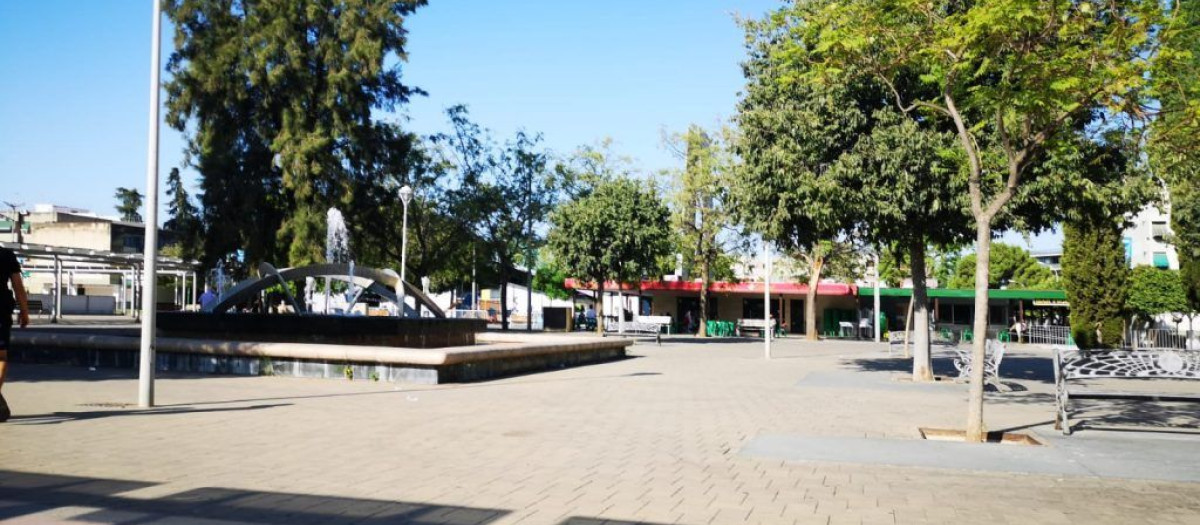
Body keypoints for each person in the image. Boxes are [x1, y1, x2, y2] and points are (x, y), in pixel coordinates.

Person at [1, 246, 30, 422]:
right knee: (1, 357)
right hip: (0, 309)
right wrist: (24, 311)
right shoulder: (6, 255)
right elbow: (18, 285)